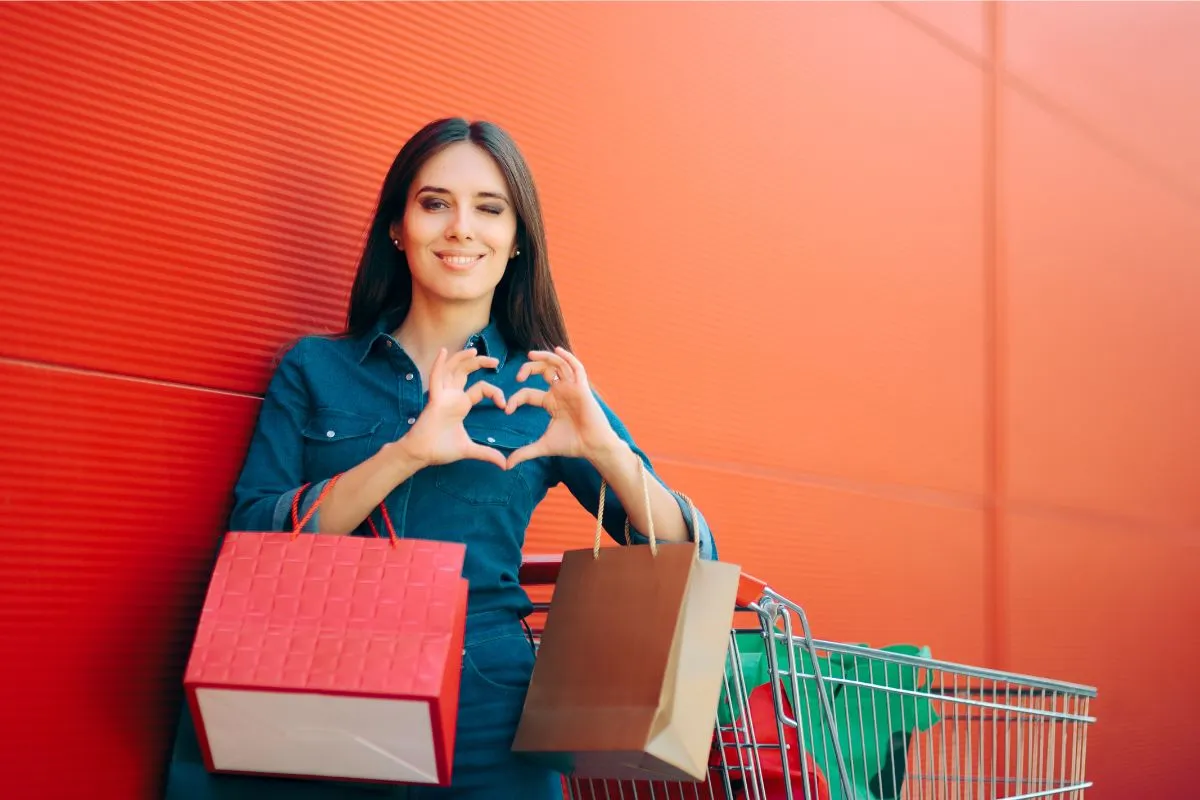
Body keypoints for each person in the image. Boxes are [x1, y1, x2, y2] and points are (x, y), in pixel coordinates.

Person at [164, 117, 718, 800]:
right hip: (314, 694)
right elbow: (253, 537)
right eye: (435, 203)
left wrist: (602, 447)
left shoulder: (545, 386)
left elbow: (685, 548)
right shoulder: (315, 368)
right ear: (397, 228)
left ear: (516, 242)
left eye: (490, 209)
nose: (461, 227)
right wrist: (408, 453)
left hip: (488, 712)